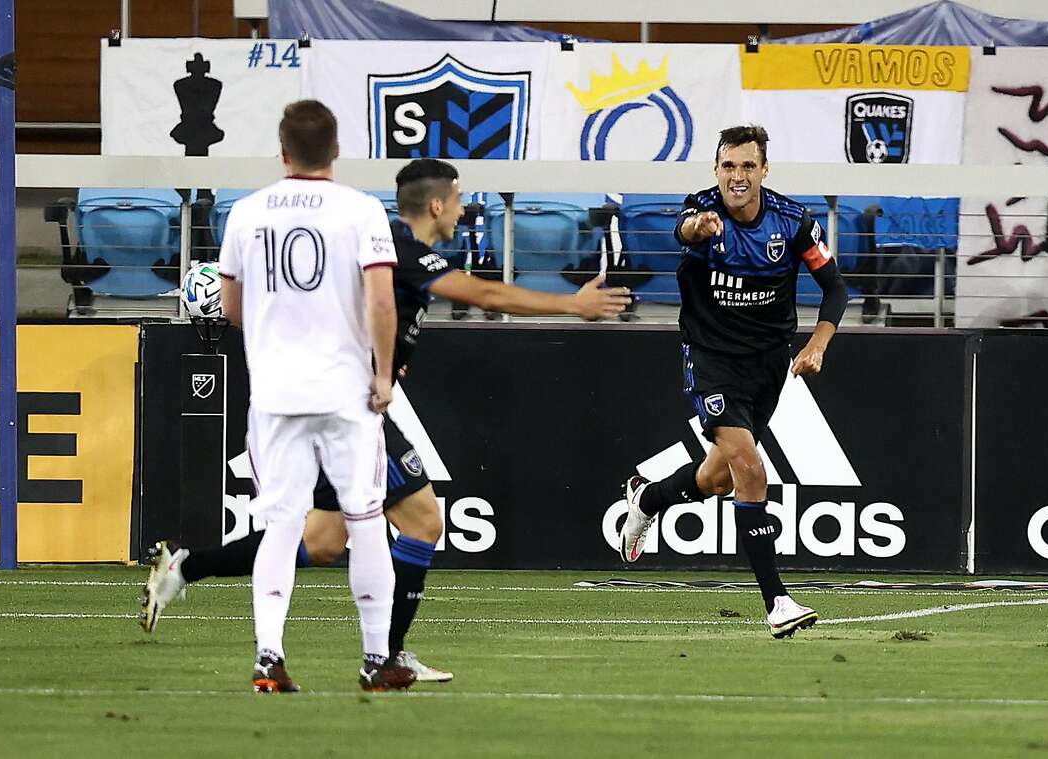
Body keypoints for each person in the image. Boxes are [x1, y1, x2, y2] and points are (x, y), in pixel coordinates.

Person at [141, 158, 632, 680]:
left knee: (325, 541)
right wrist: (572, 306)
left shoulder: (392, 249)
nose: (465, 210)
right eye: (460, 199)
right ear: (437, 204)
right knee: (422, 521)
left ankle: (185, 567)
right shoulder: (400, 252)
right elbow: (486, 295)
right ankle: (387, 656)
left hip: (340, 400)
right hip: (346, 406)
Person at [213, 99, 414, 693]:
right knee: (365, 517)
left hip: (275, 391)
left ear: (282, 151)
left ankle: (268, 657)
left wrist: (281, 339)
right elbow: (382, 301)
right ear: (336, 150)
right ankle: (378, 658)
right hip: (344, 390)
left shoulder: (245, 213)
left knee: (280, 522)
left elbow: (230, 306)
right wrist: (381, 375)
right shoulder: (360, 210)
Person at [617, 125, 848, 639]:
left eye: (747, 166)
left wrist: (818, 344)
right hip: (711, 358)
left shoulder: (794, 222)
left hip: (768, 365)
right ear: (716, 171)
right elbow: (685, 230)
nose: (737, 177)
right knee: (751, 468)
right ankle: (778, 601)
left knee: (720, 478)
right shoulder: (701, 211)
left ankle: (648, 499)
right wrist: (698, 228)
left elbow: (834, 288)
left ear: (764, 170)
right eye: (728, 167)